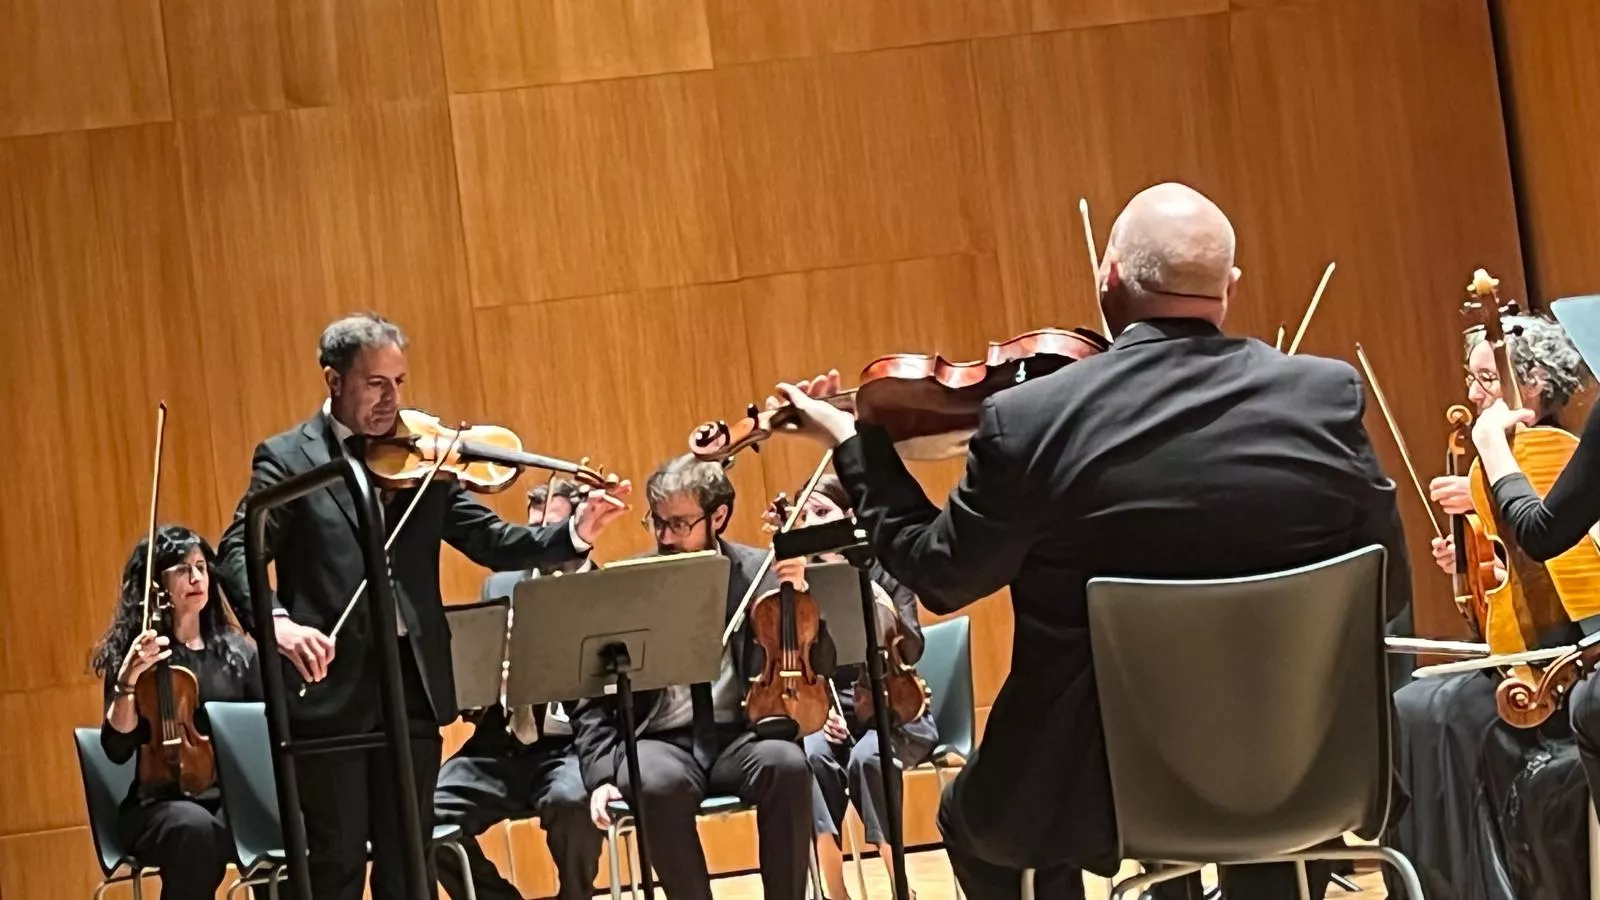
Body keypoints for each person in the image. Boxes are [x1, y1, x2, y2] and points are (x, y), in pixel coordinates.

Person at [769, 182, 1412, 900]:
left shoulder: (1033, 420)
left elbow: (938, 574)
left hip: (1103, 795)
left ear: (1108, 278)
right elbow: (1391, 590)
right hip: (1305, 772)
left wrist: (855, 444)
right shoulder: (1324, 396)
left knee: (980, 823)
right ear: (1228, 288)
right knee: (1260, 814)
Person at [213, 312, 631, 900]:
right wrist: (277, 625)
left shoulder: (422, 462)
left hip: (411, 685)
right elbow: (237, 552)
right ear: (334, 381)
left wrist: (574, 536)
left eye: (400, 382)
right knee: (334, 861)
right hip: (331, 690)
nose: (393, 400)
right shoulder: (287, 459)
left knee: (409, 860)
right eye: (376, 384)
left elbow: (491, 541)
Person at [1390, 314, 1589, 900]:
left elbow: (1564, 573)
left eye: (1485, 380)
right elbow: (1504, 590)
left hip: (1556, 657)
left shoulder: (1553, 455)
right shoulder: (1512, 461)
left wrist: (1497, 559)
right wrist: (1475, 563)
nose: (1473, 395)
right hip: (1524, 654)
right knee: (1414, 704)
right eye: (1471, 378)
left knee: (1436, 712)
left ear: (1529, 389)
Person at [571, 455, 829, 900]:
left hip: (741, 734)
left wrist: (801, 597)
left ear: (719, 516)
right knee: (652, 781)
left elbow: (820, 662)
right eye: (658, 523)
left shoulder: (760, 571)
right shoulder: (629, 585)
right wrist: (600, 773)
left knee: (787, 765)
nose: (666, 537)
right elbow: (589, 693)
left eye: (680, 524)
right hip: (662, 740)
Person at [434, 478, 603, 900]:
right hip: (501, 745)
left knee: (572, 803)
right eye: (533, 533)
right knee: (419, 815)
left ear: (582, 532)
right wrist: (476, 687)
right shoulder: (499, 586)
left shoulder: (605, 594)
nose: (541, 543)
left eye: (552, 532)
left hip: (569, 749)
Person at [779, 475, 937, 900]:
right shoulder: (803, 584)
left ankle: (902, 887)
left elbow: (914, 648)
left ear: (849, 516)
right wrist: (821, 710)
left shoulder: (887, 569)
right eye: (805, 515)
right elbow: (801, 663)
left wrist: (870, 595)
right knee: (810, 758)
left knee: (871, 757)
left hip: (895, 711)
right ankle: (836, 892)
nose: (813, 522)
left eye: (823, 512)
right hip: (835, 713)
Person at [92, 525, 263, 900]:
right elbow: (117, 748)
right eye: (183, 570)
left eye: (201, 566)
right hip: (160, 805)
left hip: (228, 798)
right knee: (194, 829)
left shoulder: (237, 653)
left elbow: (262, 732)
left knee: (290, 819)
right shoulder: (136, 656)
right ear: (156, 586)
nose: (197, 577)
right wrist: (128, 681)